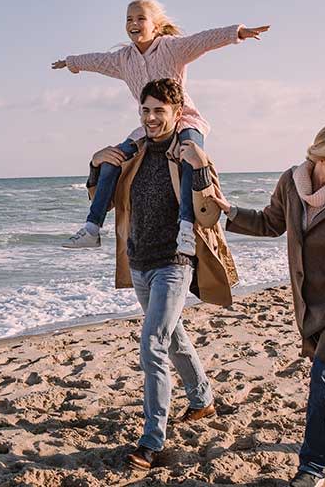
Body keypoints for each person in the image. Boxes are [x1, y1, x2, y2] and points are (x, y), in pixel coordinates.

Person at [193, 120, 325, 487]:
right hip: (310, 305)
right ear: (321, 157)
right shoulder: (291, 183)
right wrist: (229, 211)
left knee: (324, 376)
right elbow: (271, 223)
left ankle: (314, 467)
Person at [84, 78, 239, 470]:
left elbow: (208, 210)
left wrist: (202, 168)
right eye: (146, 110)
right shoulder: (132, 154)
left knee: (152, 342)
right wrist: (96, 162)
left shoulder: (187, 154)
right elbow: (102, 198)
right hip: (139, 263)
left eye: (160, 111)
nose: (152, 118)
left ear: (176, 113)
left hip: (174, 263)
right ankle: (202, 399)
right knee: (174, 338)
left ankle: (151, 440)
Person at [54, 0, 267, 256]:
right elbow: (97, 61)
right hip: (149, 125)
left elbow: (203, 41)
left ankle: (186, 227)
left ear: (156, 25)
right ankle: (91, 228)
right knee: (111, 160)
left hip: (184, 119)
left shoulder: (171, 48)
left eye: (141, 18)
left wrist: (237, 33)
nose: (134, 23)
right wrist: (72, 63)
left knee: (190, 156)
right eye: (129, 19)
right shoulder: (123, 59)